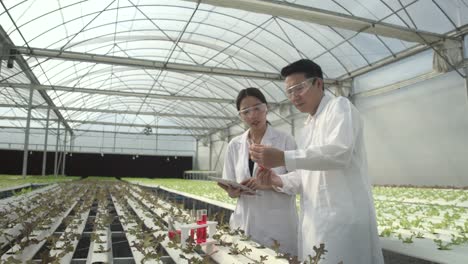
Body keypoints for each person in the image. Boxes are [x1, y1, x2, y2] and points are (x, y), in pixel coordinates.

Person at [250, 59, 384, 264]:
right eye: (289, 92)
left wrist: (283, 157)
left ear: (318, 84)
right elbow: (307, 176)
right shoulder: (308, 126)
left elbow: (339, 153)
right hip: (316, 222)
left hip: (342, 223)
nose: (294, 97)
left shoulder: (339, 107)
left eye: (299, 88)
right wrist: (278, 180)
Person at [219, 87, 298, 255]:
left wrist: (269, 183)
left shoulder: (285, 140)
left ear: (266, 108)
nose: (252, 115)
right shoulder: (234, 145)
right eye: (246, 111)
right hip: (245, 222)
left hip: (278, 225)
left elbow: (298, 181)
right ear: (240, 115)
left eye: (257, 108)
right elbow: (230, 185)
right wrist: (233, 191)